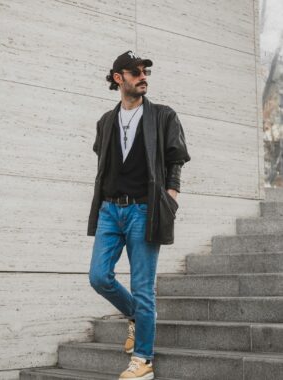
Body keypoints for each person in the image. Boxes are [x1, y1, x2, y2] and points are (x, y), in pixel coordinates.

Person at [87, 50, 190, 380]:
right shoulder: (106, 121)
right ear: (119, 78)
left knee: (143, 288)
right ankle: (136, 316)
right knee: (99, 277)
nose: (142, 76)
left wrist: (170, 198)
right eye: (135, 72)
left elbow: (176, 159)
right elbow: (103, 161)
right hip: (109, 210)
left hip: (144, 210)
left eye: (145, 70)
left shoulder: (163, 116)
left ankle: (143, 360)